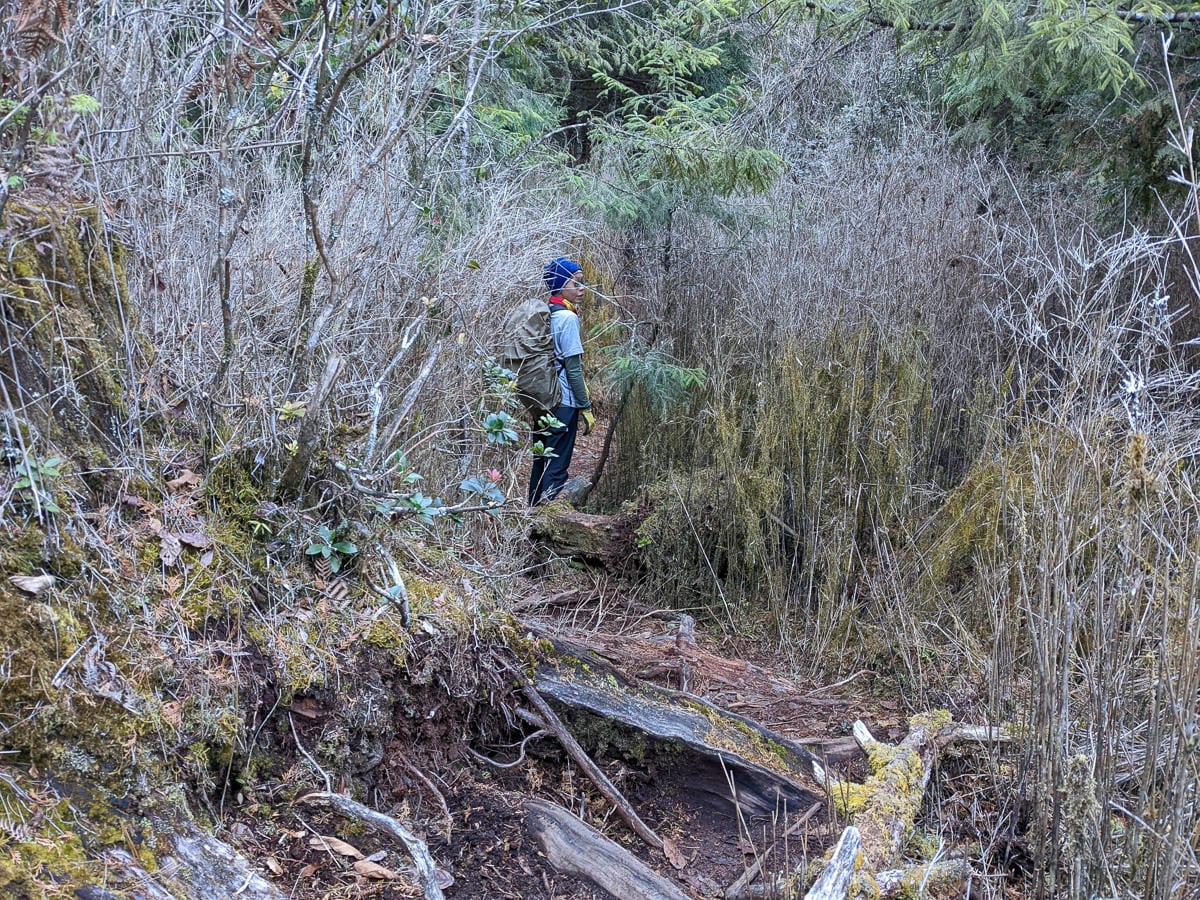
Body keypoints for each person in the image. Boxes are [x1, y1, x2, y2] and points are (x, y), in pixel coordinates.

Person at [527, 257, 596, 505]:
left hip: (542, 399)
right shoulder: (567, 319)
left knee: (540, 461)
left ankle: (531, 516)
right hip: (564, 401)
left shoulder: (546, 314)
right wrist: (585, 407)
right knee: (556, 466)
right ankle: (548, 522)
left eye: (582, 283)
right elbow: (574, 370)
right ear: (560, 285)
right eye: (576, 283)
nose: (581, 289)